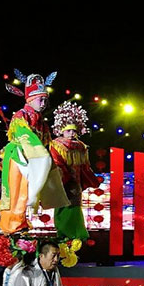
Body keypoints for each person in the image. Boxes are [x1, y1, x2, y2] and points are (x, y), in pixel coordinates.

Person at [0, 71, 69, 234]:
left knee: (30, 191)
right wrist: (40, 155)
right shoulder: (21, 115)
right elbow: (25, 136)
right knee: (18, 192)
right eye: (40, 99)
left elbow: (45, 143)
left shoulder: (41, 121)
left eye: (45, 100)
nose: (43, 103)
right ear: (29, 99)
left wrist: (48, 159)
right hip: (20, 157)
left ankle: (21, 224)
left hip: (33, 157)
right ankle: (12, 227)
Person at [50, 101, 101, 242]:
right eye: (68, 131)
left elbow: (85, 166)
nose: (72, 134)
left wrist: (89, 178)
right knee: (62, 207)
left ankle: (76, 235)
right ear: (61, 130)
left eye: (74, 131)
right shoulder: (56, 145)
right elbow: (56, 163)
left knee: (75, 207)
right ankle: (63, 235)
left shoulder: (81, 146)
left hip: (76, 182)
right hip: (62, 181)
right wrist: (64, 178)